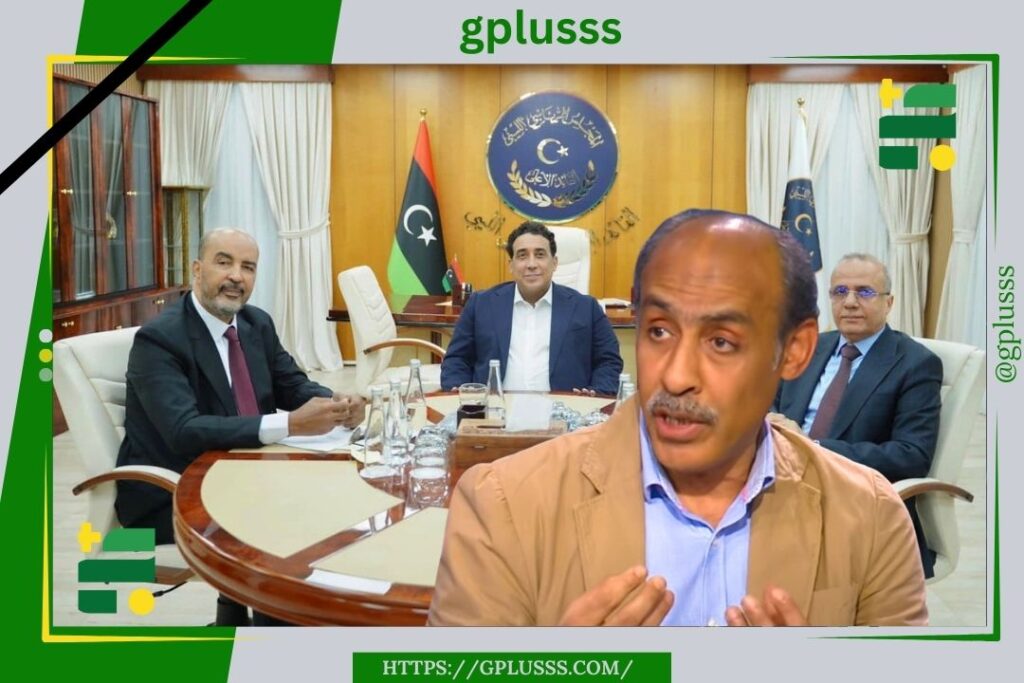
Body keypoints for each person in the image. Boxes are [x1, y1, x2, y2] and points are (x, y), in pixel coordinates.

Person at [428, 209, 926, 626]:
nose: (676, 376)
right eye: (660, 332)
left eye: (721, 342)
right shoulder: (501, 507)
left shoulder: (871, 517)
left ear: (794, 351)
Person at [115, 228, 365, 625]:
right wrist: (289, 424)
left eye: (248, 267)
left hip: (247, 475)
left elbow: (292, 384)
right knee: (285, 532)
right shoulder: (160, 340)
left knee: (337, 499)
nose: (236, 276)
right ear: (197, 269)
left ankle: (319, 620)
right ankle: (277, 640)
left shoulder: (255, 323)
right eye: (224, 262)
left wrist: (338, 404)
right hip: (176, 493)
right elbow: (184, 430)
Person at [773, 253, 942, 577]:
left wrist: (814, 448)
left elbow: (911, 455)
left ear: (889, 302)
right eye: (840, 292)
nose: (849, 302)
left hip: (851, 498)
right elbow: (767, 402)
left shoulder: (915, 364)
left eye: (864, 292)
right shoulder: (808, 346)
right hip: (779, 475)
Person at [440, 221, 622, 395]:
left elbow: (608, 361)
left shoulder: (586, 308)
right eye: (522, 256)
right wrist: (463, 394)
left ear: (554, 263)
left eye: (540, 255)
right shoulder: (480, 304)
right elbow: (457, 359)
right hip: (494, 410)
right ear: (511, 265)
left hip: (566, 411)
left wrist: (595, 395)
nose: (531, 264)